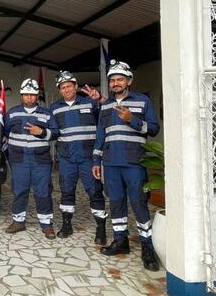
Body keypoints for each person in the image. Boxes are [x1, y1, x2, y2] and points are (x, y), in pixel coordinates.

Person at [92, 60, 161, 271]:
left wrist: (132, 119)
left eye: (120, 79)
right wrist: (96, 160)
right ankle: (120, 240)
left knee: (139, 203)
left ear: (129, 81)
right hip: (111, 162)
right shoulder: (106, 105)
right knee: (116, 202)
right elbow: (100, 135)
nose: (115, 83)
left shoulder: (142, 101)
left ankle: (147, 247)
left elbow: (154, 129)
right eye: (112, 80)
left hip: (134, 162)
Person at [49, 70, 107, 243]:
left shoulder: (90, 102)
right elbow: (51, 131)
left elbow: (110, 110)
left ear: (76, 86)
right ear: (59, 90)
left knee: (95, 192)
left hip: (88, 158)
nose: (67, 89)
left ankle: (101, 229)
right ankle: (67, 225)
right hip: (66, 158)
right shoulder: (54, 108)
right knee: (67, 192)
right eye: (63, 87)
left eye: (69, 86)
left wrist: (100, 99)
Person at [3, 78, 59, 239]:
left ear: (37, 96)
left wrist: (41, 132)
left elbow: (55, 133)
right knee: (20, 191)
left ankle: (46, 224)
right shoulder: (12, 113)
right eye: (26, 94)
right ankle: (18, 222)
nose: (30, 97)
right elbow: (5, 132)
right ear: (21, 95)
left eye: (33, 94)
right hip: (19, 160)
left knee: (43, 191)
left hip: (40, 160)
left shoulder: (46, 114)